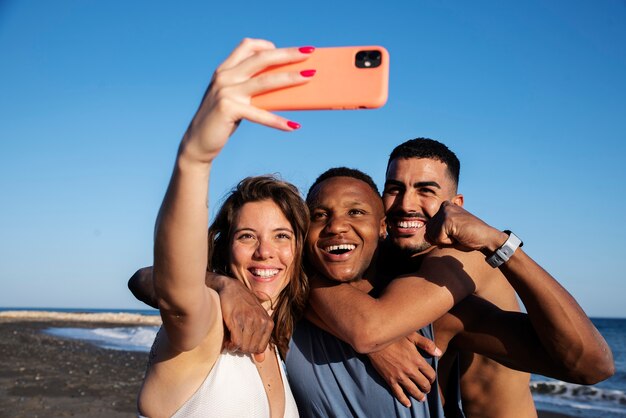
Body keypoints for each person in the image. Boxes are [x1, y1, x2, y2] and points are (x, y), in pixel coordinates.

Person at [302, 166, 614, 417]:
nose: (336, 226)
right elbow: (368, 327)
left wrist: (502, 245)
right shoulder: (288, 299)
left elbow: (592, 366)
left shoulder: (444, 280)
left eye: (356, 212)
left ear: (382, 227)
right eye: (396, 190)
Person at [138, 38, 316, 417]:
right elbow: (176, 292)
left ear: (298, 249)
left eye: (281, 236)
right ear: (225, 247)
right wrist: (195, 159)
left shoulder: (274, 350)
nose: (265, 251)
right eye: (247, 236)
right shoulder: (204, 330)